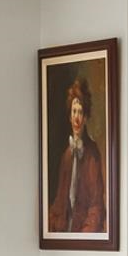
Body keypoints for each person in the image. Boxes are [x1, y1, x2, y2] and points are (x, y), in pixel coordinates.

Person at [48, 74, 106, 233]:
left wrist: (83, 236)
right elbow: (60, 202)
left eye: (80, 112)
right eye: (74, 112)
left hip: (83, 232)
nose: (76, 118)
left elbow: (96, 207)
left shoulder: (93, 154)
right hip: (65, 231)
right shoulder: (66, 155)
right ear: (69, 116)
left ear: (86, 117)